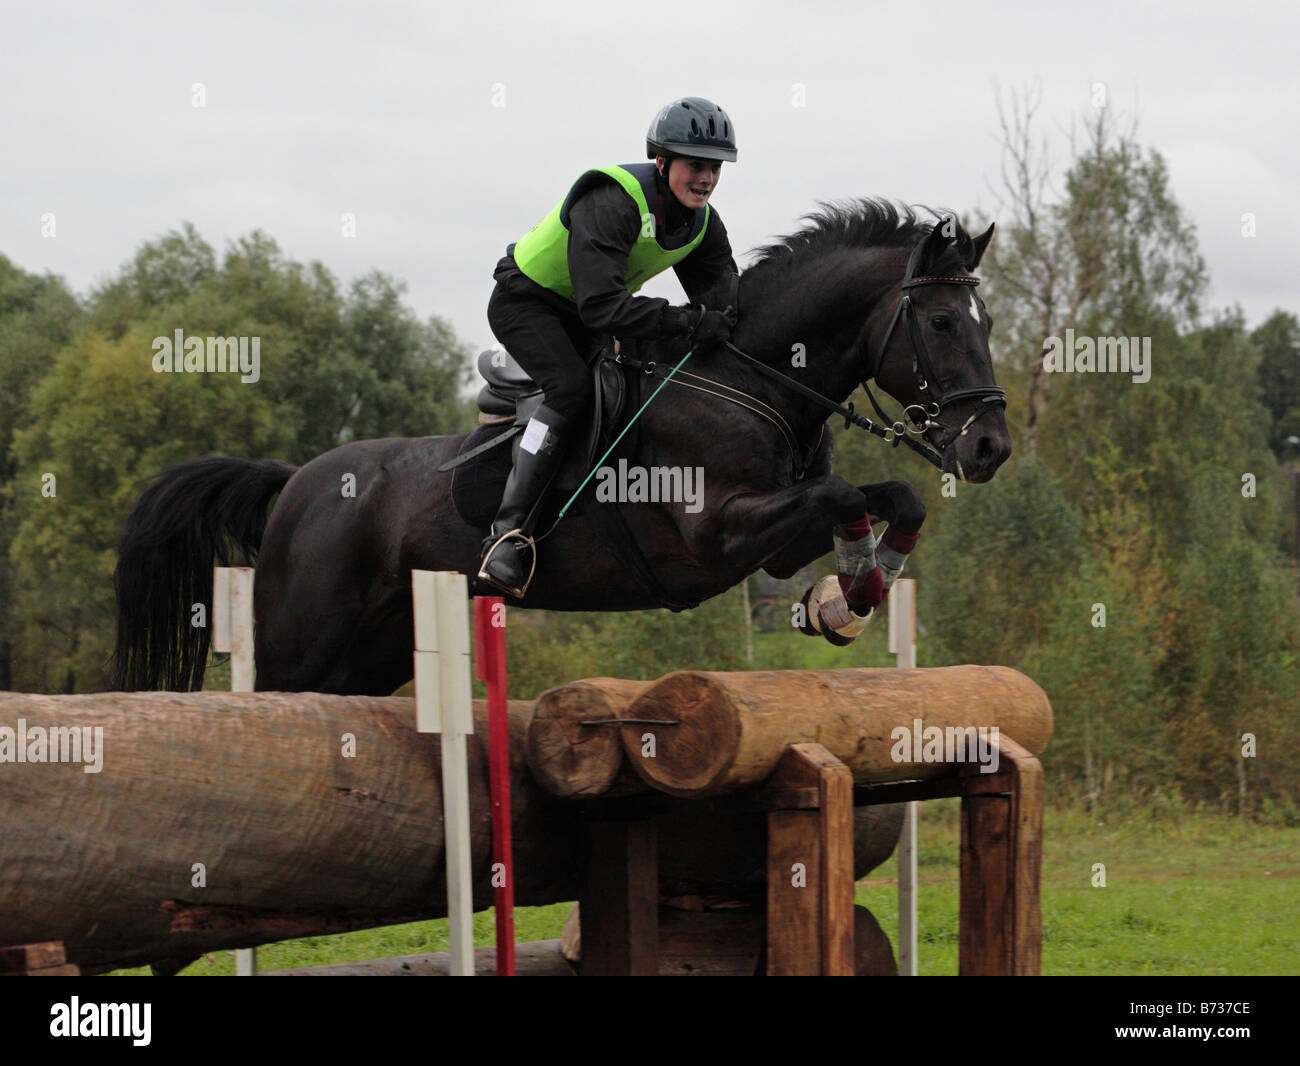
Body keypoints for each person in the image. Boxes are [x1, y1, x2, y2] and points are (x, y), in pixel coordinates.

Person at [477, 96, 741, 597]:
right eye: (694, 166)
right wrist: (686, 321)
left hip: (584, 314)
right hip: (527, 304)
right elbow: (603, 309)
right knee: (572, 390)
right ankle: (507, 537)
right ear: (661, 162)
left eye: (714, 168)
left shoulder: (702, 224)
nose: (705, 179)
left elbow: (726, 307)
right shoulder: (612, 201)